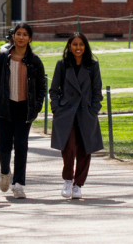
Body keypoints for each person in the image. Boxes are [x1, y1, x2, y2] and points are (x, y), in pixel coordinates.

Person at [0, 22, 46, 199]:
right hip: (5, 107)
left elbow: (42, 86)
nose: (21, 37)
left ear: (30, 38)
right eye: (18, 34)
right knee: (4, 146)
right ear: (13, 36)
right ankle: (5, 172)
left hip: (24, 108)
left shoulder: (34, 61)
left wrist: (37, 105)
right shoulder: (2, 58)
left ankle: (19, 183)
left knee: (21, 146)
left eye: (25, 34)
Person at [49, 33, 104, 199]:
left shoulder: (93, 65)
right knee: (69, 147)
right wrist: (57, 109)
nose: (78, 47)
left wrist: (94, 109)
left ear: (85, 46)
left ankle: (78, 184)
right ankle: (67, 179)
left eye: (81, 44)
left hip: (86, 112)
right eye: (74, 44)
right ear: (69, 46)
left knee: (85, 149)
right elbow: (53, 90)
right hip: (66, 113)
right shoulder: (62, 65)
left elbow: (97, 91)